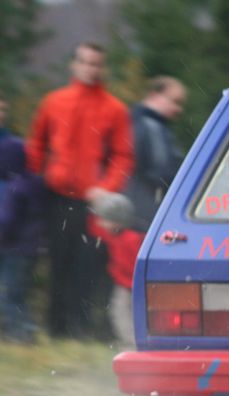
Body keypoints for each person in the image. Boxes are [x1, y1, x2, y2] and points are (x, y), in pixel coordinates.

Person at [25, 41, 134, 340]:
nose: (90, 68)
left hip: (93, 202)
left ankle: (80, 329)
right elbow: (36, 144)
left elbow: (123, 156)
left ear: (102, 67)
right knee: (59, 261)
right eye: (85, 62)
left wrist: (106, 189)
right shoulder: (54, 101)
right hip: (57, 197)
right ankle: (55, 328)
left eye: (96, 63)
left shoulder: (114, 109)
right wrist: (38, 177)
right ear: (74, 64)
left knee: (87, 265)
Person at [104, 76, 186, 346]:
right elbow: (160, 172)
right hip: (138, 219)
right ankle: (132, 340)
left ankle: (133, 338)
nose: (178, 110)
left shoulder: (141, 124)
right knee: (131, 283)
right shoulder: (147, 126)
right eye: (174, 102)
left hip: (134, 217)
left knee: (130, 281)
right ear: (155, 95)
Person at [0, 98, 45, 342]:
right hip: (29, 248)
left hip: (14, 247)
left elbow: (7, 220)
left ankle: (23, 334)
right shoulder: (33, 182)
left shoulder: (15, 188)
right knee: (19, 293)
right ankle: (23, 331)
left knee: (12, 294)